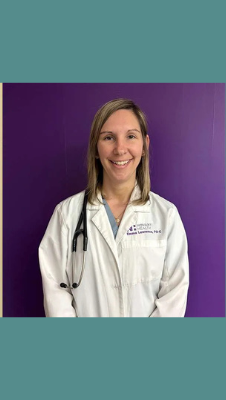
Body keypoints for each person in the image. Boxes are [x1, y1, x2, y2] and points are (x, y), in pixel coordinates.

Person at [38, 99, 189, 317]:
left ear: (144, 145)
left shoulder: (166, 216)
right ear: (95, 148)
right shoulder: (66, 215)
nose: (120, 149)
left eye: (131, 136)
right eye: (109, 137)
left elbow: (173, 297)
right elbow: (56, 293)